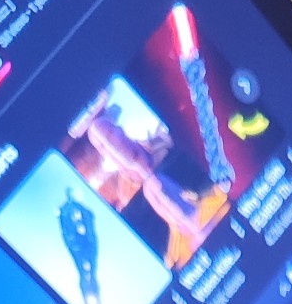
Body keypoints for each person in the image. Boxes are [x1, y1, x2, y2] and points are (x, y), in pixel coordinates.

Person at [77, 90, 226, 267]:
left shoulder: (168, 142)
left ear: (120, 130)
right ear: (104, 155)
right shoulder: (129, 205)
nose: (110, 146)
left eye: (109, 135)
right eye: (102, 146)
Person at [58, 188, 102, 304]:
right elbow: (65, 229)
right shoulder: (65, 210)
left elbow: (89, 218)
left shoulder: (80, 209)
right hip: (78, 246)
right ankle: (91, 303)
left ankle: (95, 302)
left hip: (87, 243)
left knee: (90, 272)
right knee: (84, 273)